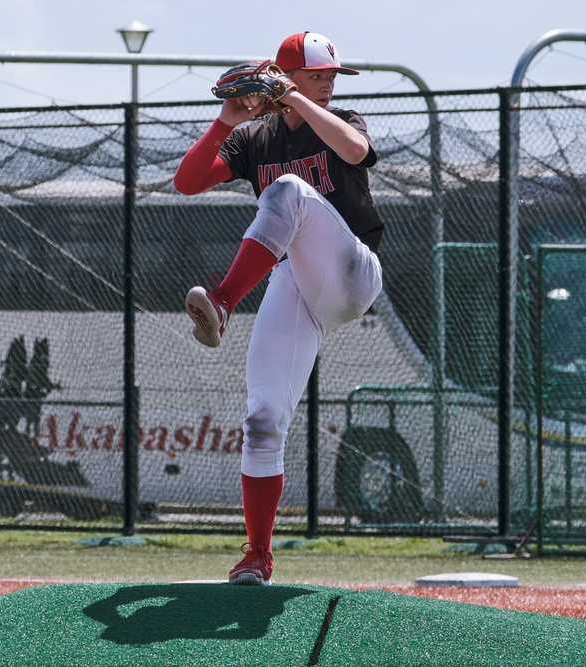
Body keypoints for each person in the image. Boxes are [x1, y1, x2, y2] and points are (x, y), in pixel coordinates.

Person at [173, 32, 384, 585]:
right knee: (263, 419)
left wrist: (295, 97)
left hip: (352, 272)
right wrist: (226, 118)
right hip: (296, 284)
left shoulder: (342, 118)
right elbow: (188, 182)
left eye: (331, 77)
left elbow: (355, 152)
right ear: (289, 73)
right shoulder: (257, 138)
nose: (329, 84)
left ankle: (222, 302)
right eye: (319, 75)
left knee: (288, 190)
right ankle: (258, 554)